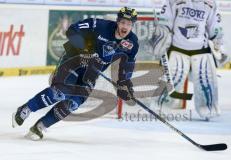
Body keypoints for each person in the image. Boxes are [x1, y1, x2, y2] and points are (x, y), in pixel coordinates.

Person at [12, 6, 139, 140]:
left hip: (92, 73)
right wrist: (84, 50)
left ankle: (40, 127)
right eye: (123, 22)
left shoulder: (132, 43)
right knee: (59, 93)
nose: (125, 27)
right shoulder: (100, 25)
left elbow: (127, 65)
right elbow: (72, 30)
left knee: (73, 103)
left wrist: (124, 82)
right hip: (73, 62)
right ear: (118, 21)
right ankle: (27, 108)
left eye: (129, 24)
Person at [154, 0, 229, 120]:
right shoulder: (174, 1)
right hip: (177, 48)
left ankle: (208, 108)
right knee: (173, 79)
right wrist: (161, 38)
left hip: (201, 50)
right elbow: (165, 22)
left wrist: (220, 47)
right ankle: (160, 106)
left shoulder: (210, 3)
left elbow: (215, 28)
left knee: (205, 81)